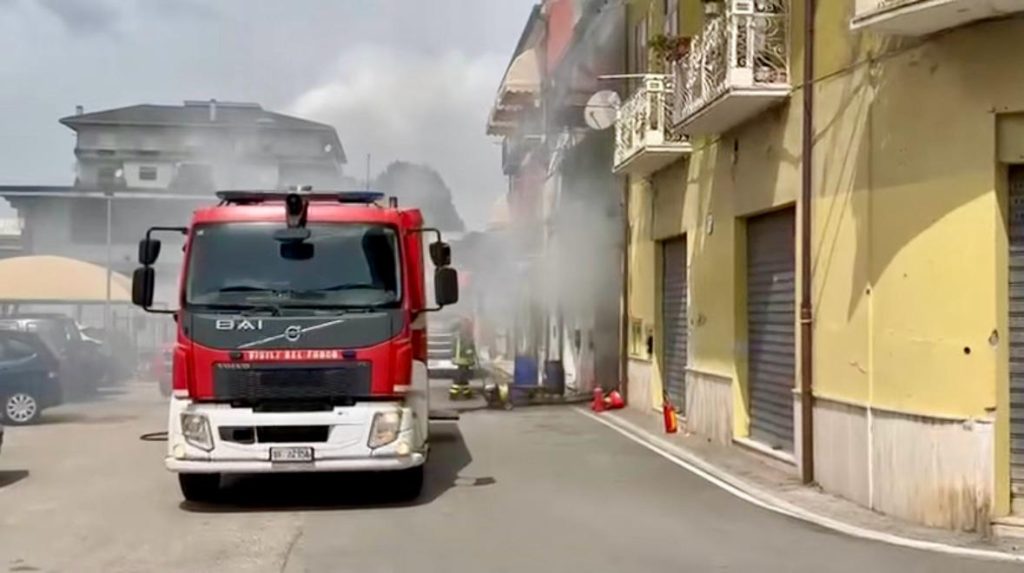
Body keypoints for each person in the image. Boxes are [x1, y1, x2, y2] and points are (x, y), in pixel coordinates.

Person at [449, 317, 477, 400]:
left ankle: (466, 393)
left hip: (459, 358)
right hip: (464, 359)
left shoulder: (456, 335)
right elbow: (468, 347)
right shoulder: (465, 334)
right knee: (461, 376)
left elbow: (454, 347)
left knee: (463, 376)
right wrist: (471, 353)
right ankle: (455, 394)